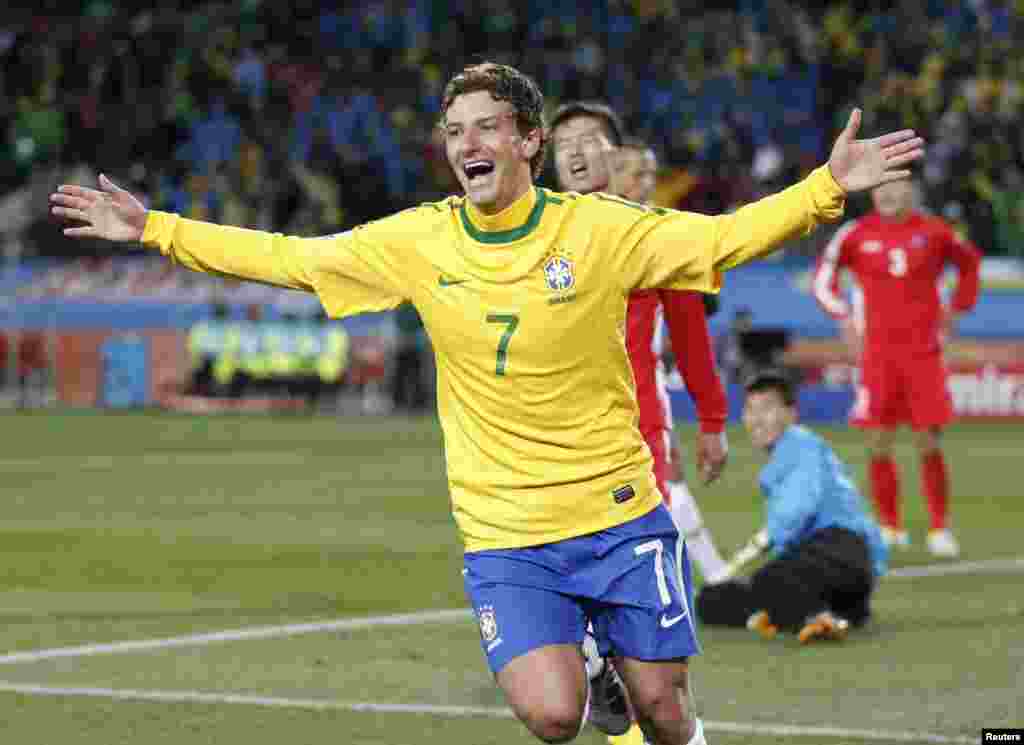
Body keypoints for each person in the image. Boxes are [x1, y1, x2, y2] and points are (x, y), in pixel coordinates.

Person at [49, 62, 922, 745]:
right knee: (551, 715)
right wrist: (156, 227)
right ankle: (591, 666)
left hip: (619, 509)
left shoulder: (599, 230)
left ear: (528, 141)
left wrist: (825, 187)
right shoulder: (418, 241)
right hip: (506, 530)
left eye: (486, 127)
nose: (467, 142)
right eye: (453, 129)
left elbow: (723, 237)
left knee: (662, 705)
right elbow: (292, 257)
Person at [549, 103, 731, 585]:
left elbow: (692, 339)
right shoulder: (534, 235)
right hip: (557, 430)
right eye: (563, 144)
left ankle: (693, 602)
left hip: (637, 422)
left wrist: (711, 420)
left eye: (588, 140)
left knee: (645, 566)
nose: (575, 153)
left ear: (615, 154)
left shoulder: (658, 237)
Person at [812, 178, 981, 557]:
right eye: (881, 186)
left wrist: (958, 308)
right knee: (877, 442)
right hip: (876, 355)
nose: (888, 193)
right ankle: (890, 526)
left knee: (927, 440)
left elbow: (969, 264)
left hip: (924, 354)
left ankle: (940, 528)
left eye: (897, 185)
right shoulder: (854, 234)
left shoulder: (935, 232)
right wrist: (842, 317)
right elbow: (824, 279)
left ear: (911, 190)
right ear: (872, 192)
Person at [695, 370, 888, 644]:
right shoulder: (798, 452)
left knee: (769, 580)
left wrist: (756, 547)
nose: (757, 419)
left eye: (767, 408)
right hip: (846, 567)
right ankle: (824, 614)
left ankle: (812, 619)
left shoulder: (799, 444)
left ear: (791, 414)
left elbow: (797, 509)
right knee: (711, 599)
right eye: (750, 410)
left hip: (838, 549)